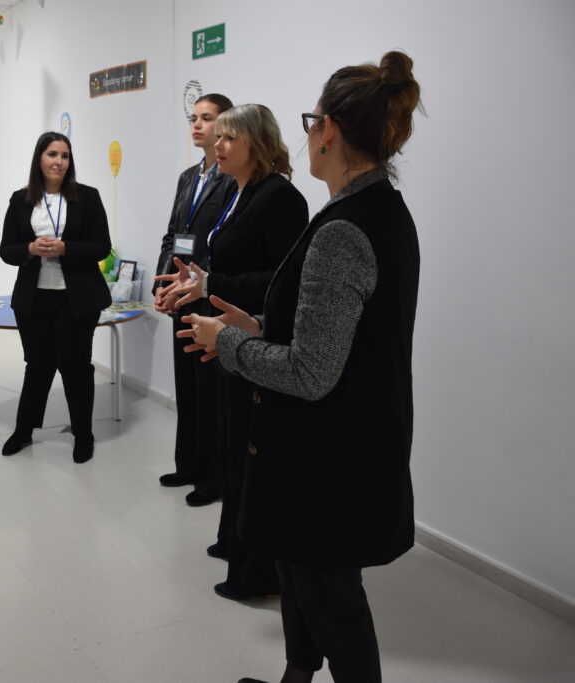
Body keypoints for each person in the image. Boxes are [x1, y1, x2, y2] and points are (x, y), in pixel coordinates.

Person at [181, 51, 422, 683]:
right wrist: (257, 326)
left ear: (330, 130)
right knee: (302, 580)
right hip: (338, 447)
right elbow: (340, 338)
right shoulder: (380, 212)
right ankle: (295, 676)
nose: (307, 133)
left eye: (311, 120)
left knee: (332, 601)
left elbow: (313, 373)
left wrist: (225, 342)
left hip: (329, 458)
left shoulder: (344, 230)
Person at [160, 104, 307, 600]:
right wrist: (197, 284)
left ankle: (257, 571)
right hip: (231, 337)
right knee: (232, 445)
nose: (216, 145)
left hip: (258, 339)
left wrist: (212, 283)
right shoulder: (239, 192)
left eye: (228, 137)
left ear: (257, 144)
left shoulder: (280, 197)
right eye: (215, 136)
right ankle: (234, 541)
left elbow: (285, 281)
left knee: (252, 456)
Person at [0, 132, 111, 463]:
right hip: (34, 301)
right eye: (52, 154)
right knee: (37, 366)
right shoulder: (21, 200)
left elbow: (102, 246)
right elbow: (6, 250)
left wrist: (66, 248)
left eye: (65, 155)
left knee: (76, 368)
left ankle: (83, 435)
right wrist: (30, 249)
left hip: (76, 299)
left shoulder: (87, 198)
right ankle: (24, 431)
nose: (59, 161)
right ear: (39, 159)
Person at [153, 93, 236, 507]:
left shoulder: (232, 176)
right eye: (195, 118)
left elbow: (224, 240)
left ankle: (213, 476)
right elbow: (173, 234)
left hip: (209, 295)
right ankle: (187, 464)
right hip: (180, 292)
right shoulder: (188, 177)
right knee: (186, 386)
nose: (198, 125)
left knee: (210, 391)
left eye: (208, 118)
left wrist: (196, 283)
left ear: (227, 125)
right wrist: (162, 283)